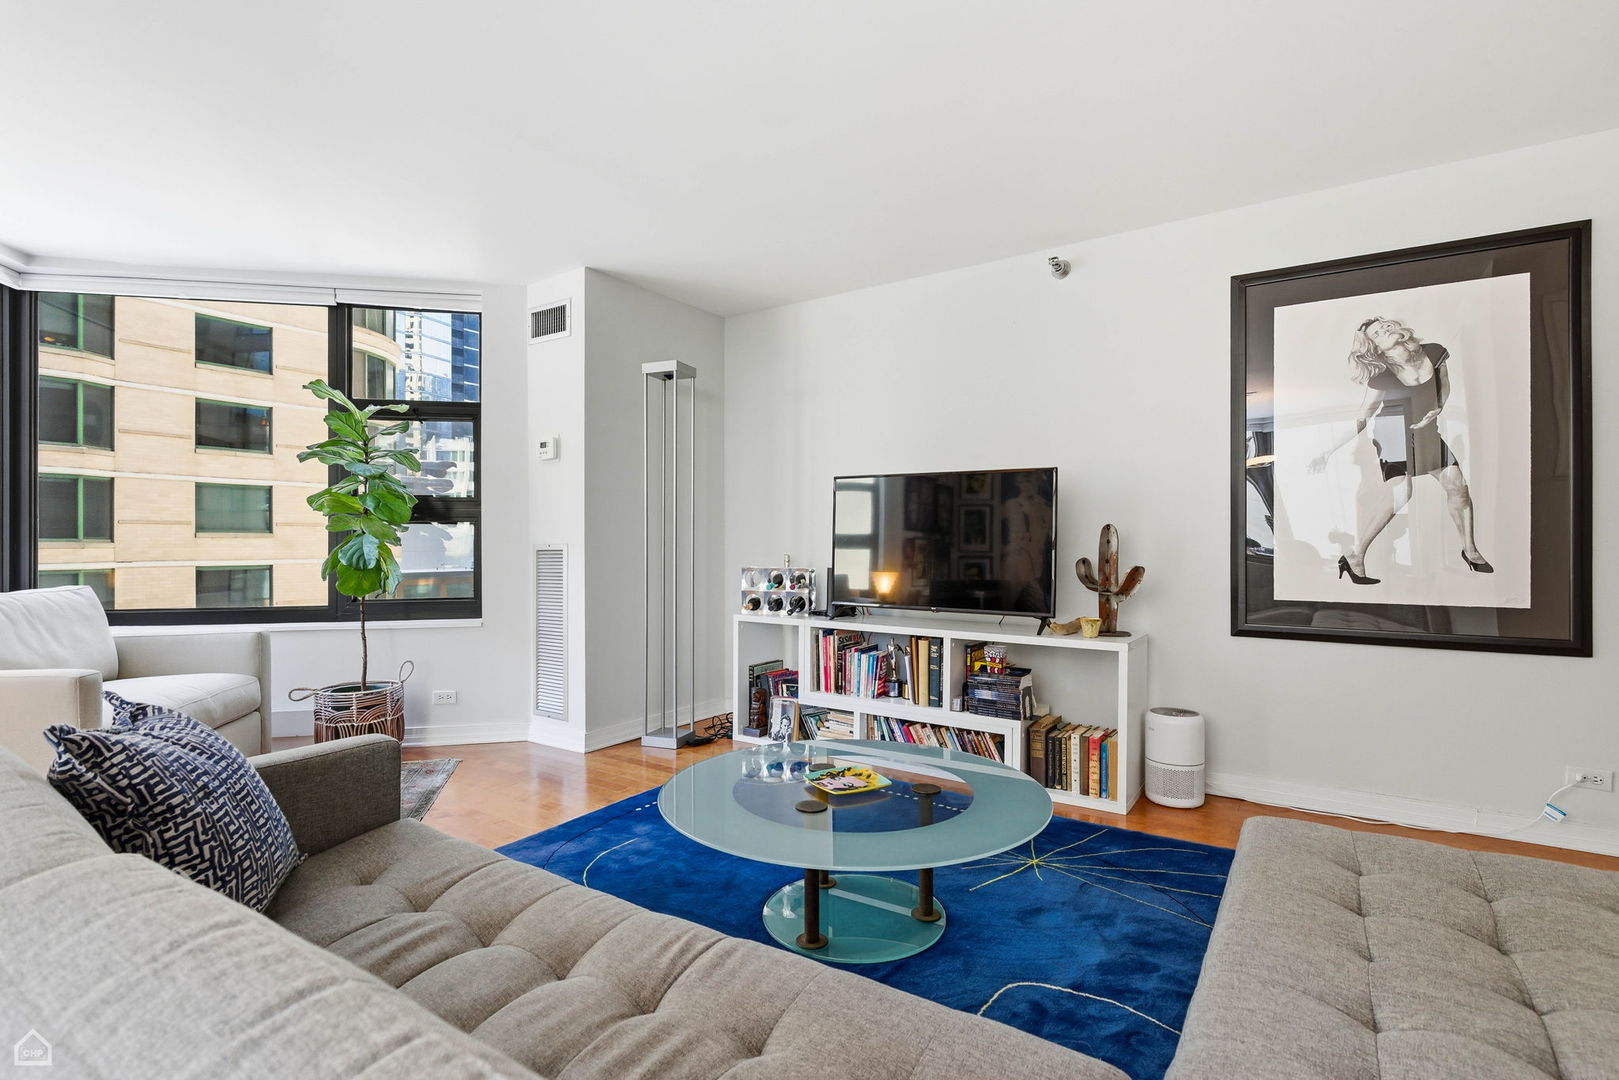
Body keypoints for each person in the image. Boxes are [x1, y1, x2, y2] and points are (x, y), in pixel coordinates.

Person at [1308, 316, 1493, 583]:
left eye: (1385, 325)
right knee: (1401, 493)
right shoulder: (1382, 376)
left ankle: (1470, 549)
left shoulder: (1434, 352)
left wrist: (1439, 408)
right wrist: (1328, 451)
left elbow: (1445, 385)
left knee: (1458, 487)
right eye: (1377, 333)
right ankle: (1356, 556)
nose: (1385, 328)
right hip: (1392, 434)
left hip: (1426, 430)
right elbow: (1363, 416)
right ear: (1375, 348)